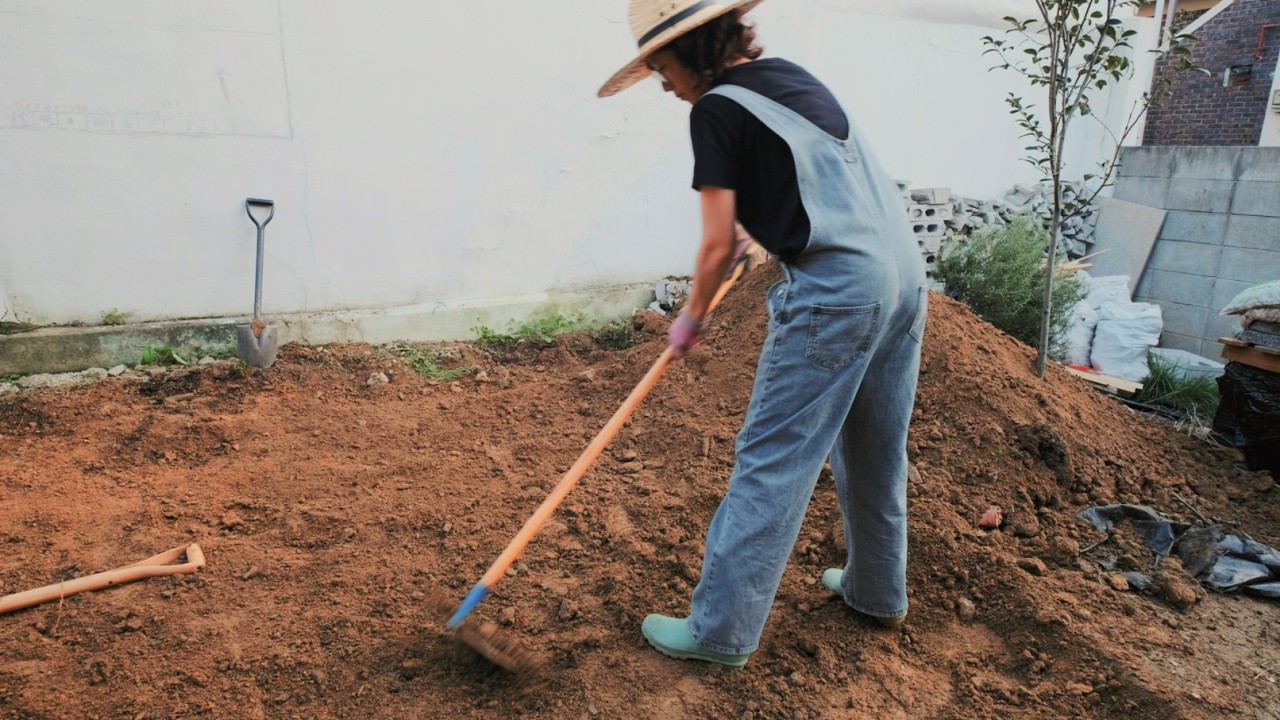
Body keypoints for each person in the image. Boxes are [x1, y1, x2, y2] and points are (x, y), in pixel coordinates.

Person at [599, 0, 928, 667]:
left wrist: (690, 318)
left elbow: (715, 243)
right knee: (875, 450)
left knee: (773, 458)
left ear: (692, 50)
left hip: (838, 293)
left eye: (662, 66)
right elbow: (818, 185)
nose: (663, 84)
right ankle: (876, 591)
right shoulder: (792, 77)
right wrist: (764, 231)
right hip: (903, 280)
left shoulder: (716, 109)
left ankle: (719, 630)